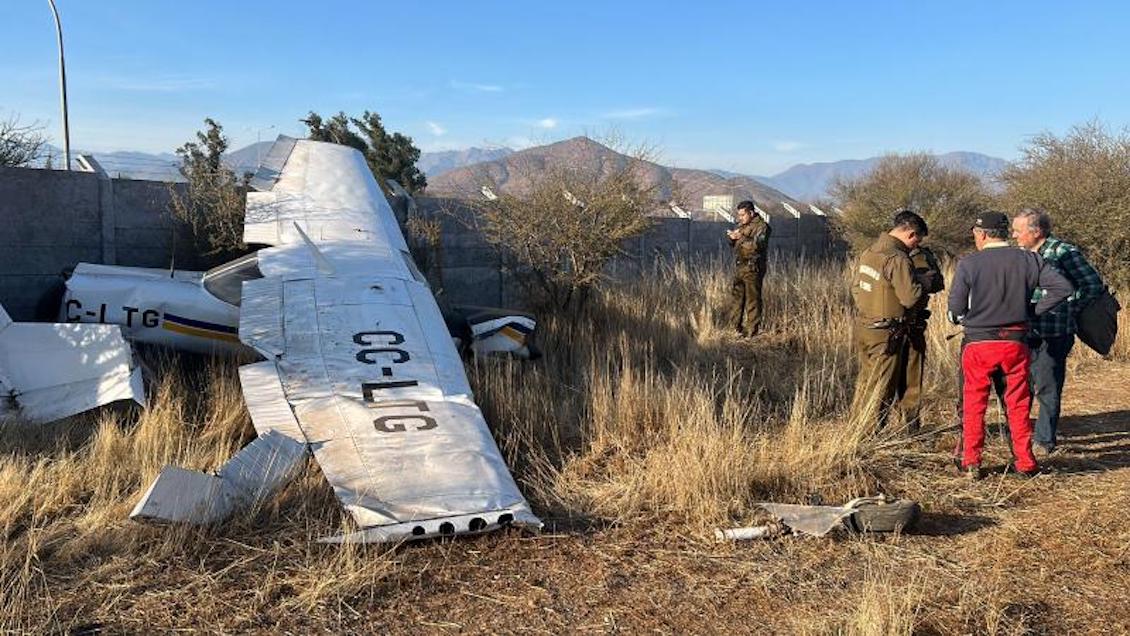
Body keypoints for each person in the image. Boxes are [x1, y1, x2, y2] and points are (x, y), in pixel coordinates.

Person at [948, 211, 1073, 479]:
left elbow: (956, 309)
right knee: (1017, 402)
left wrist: (964, 316)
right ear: (1005, 233)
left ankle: (971, 461)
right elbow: (1063, 288)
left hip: (978, 343)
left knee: (974, 403)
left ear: (981, 234)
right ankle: (1025, 462)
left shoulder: (969, 263)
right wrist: (1031, 311)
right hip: (1015, 342)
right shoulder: (1030, 259)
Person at [1011, 208, 1104, 455]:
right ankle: (1020, 437)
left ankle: (1044, 440)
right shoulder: (1021, 254)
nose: (1014, 235)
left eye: (1018, 231)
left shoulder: (1064, 252)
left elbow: (1092, 284)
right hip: (1024, 331)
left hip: (1054, 332)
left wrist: (1070, 307)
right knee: (1022, 386)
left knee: (1048, 387)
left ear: (1036, 231)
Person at [849, 210, 926, 429]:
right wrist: (923, 284)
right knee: (882, 385)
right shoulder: (897, 258)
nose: (915, 247)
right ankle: (870, 434)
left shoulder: (869, 252)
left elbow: (856, 288)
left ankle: (857, 427)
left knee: (865, 382)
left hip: (865, 326)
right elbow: (910, 298)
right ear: (911, 234)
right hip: (886, 332)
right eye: (916, 240)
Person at [902, 241, 945, 432]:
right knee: (885, 379)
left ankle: (912, 425)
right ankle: (878, 426)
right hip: (889, 324)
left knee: (913, 377)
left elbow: (938, 283)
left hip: (915, 322)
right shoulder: (886, 255)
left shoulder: (923, 255)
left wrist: (920, 281)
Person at [726, 200, 771, 337]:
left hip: (753, 267)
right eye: (739, 215)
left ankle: (752, 331)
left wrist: (742, 237)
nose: (740, 218)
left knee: (753, 300)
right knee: (737, 298)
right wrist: (732, 238)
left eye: (743, 215)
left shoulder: (762, 227)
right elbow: (735, 245)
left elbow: (758, 245)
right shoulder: (742, 226)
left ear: (751, 213)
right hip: (740, 266)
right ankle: (735, 328)